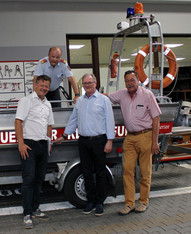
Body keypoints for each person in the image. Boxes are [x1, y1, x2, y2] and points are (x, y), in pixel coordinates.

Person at [56, 73, 115, 217]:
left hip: (99, 141)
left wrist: (110, 141)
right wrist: (64, 135)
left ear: (95, 83)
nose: (88, 85)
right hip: (83, 141)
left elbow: (110, 121)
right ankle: (90, 201)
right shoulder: (80, 101)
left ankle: (100, 203)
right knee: (87, 172)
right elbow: (73, 120)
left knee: (100, 173)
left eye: (90, 82)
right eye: (85, 83)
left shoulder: (103, 100)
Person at [106, 70, 161, 215]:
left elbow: (156, 119)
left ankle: (143, 201)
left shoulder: (147, 95)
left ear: (138, 80)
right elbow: (106, 97)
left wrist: (155, 142)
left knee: (145, 171)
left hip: (146, 135)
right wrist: (89, 92)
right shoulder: (122, 94)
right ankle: (129, 203)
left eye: (132, 80)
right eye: (127, 81)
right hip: (129, 137)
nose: (130, 83)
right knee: (127, 170)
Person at [14, 75, 54, 229]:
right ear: (36, 85)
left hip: (43, 145)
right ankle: (27, 214)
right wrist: (21, 143)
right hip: (29, 145)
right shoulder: (26, 101)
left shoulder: (48, 104)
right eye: (42, 85)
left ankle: (36, 208)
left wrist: (49, 142)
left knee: (39, 179)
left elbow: (49, 125)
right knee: (29, 179)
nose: (44, 88)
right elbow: (18, 121)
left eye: (47, 86)